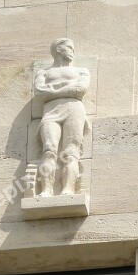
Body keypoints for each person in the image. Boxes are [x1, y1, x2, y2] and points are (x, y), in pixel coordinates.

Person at [34, 39, 90, 196]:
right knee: (49, 149)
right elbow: (39, 91)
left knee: (70, 151)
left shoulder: (81, 71)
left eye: (73, 48)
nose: (72, 51)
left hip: (74, 109)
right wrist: (67, 89)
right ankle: (46, 190)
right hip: (51, 111)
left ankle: (68, 189)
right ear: (58, 49)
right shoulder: (44, 73)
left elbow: (80, 88)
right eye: (69, 47)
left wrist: (52, 89)